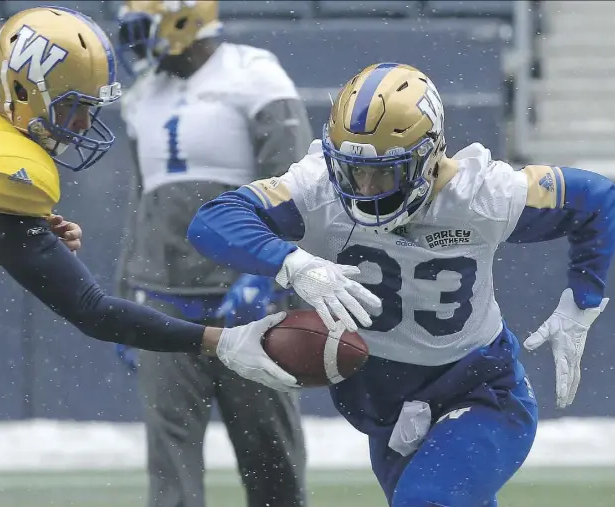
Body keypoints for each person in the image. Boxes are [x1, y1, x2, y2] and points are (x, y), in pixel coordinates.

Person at [0, 6, 298, 507]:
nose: (82, 122)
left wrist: (23, 231)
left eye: (89, 106)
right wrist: (220, 342)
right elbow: (91, 311)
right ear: (24, 90)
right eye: (71, 106)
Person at [187, 62, 614, 506]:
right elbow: (211, 221)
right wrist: (294, 264)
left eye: (385, 172)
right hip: (385, 403)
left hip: (478, 387)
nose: (366, 188)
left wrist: (582, 301)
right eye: (353, 171)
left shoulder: (482, 195)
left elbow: (598, 199)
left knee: (426, 501)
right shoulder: (315, 189)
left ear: (428, 157)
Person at [112, 2, 312, 506]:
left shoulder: (253, 71)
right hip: (163, 299)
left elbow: (295, 185)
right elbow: (143, 200)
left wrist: (267, 274)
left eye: (147, 20)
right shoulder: (141, 95)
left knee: (273, 465)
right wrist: (124, 292)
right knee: (170, 467)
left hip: (244, 301)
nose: (136, 35)